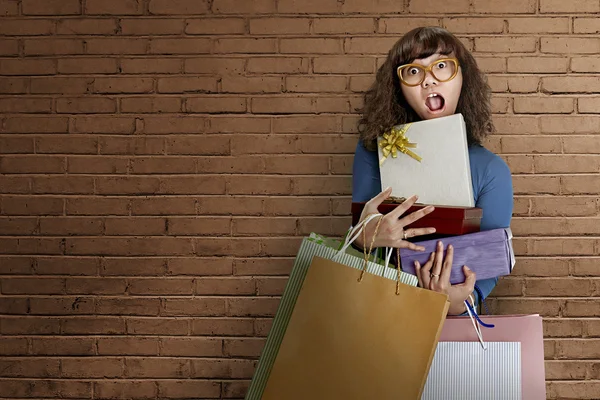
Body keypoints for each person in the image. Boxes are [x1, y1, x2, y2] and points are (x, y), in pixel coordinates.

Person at [352, 27, 513, 315]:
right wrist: (363, 238)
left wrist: (458, 300)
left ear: (464, 78)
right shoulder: (371, 153)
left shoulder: (492, 170)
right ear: (397, 87)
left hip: (450, 328)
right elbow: (354, 245)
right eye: (413, 72)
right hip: (378, 314)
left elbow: (490, 261)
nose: (428, 81)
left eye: (441, 66)